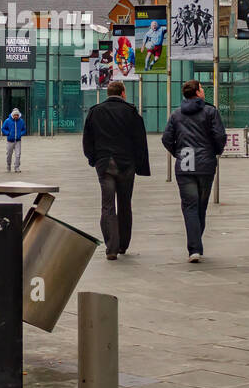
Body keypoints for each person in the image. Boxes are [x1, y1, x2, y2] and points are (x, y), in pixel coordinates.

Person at [82, 80, 150, 260]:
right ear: (123, 93)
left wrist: (92, 158)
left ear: (108, 93)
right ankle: (123, 244)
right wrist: (140, 163)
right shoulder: (131, 112)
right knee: (125, 203)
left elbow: (87, 139)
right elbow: (140, 140)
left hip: (105, 163)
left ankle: (111, 246)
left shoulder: (95, 111)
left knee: (108, 205)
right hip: (126, 163)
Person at [161, 79, 227, 262]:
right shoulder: (210, 112)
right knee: (201, 206)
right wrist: (214, 151)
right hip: (206, 164)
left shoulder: (176, 115)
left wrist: (179, 153)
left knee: (190, 206)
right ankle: (196, 246)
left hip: (185, 165)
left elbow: (166, 138)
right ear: (197, 92)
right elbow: (220, 136)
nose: (203, 91)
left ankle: (194, 249)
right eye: (202, 89)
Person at [1, 107, 26, 173]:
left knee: (18, 154)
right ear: (12, 115)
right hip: (10, 141)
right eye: (15, 115)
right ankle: (8, 165)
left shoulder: (21, 121)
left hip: (18, 140)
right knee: (9, 155)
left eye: (17, 115)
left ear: (19, 115)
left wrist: (21, 134)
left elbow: (24, 129)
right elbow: (3, 128)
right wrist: (7, 133)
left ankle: (17, 167)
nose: (16, 116)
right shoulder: (7, 121)